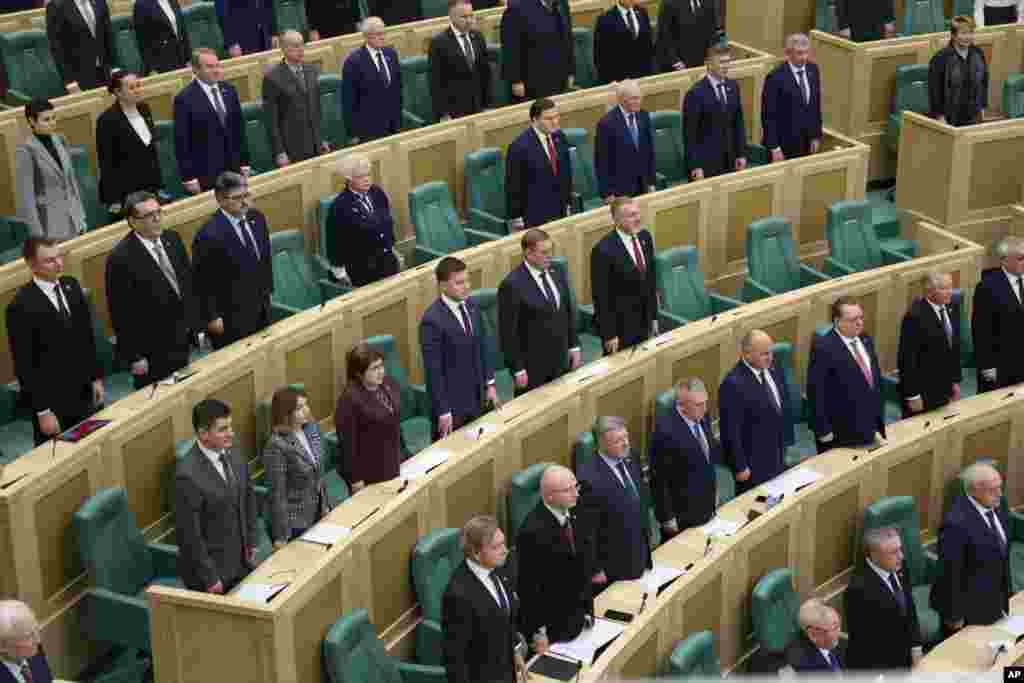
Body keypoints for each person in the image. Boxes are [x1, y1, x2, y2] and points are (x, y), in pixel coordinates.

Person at [6, 237, 102, 446]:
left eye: (59, 256)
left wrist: (95, 378)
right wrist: (43, 411)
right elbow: (25, 365)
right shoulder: (21, 306)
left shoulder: (71, 286)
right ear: (31, 264)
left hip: (83, 392)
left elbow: (86, 338)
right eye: (49, 260)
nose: (58, 263)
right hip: (53, 402)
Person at [106, 191, 197, 388]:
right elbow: (121, 313)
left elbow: (187, 284)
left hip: (183, 338)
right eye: (149, 215)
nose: (157, 219)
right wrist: (134, 356)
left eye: (159, 212)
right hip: (152, 350)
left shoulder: (172, 239)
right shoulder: (121, 259)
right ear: (132, 221)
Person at [176, 399, 258, 593]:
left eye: (230, 426)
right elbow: (190, 535)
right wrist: (210, 577)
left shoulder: (234, 451)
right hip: (214, 574)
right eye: (223, 429)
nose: (231, 433)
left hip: (242, 560)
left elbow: (248, 497)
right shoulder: (187, 475)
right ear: (203, 434)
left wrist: (252, 540)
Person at [442, 515, 528, 683]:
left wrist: (514, 652)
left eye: (503, 543)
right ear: (476, 552)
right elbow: (456, 659)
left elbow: (506, 618)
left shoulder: (500, 567)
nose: (505, 550)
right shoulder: (458, 595)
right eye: (497, 547)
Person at [191, 172, 272, 349]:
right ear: (220, 200)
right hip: (231, 315)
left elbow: (264, 259)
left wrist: (268, 291)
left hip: (261, 305)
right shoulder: (208, 235)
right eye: (237, 198)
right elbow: (201, 282)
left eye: (246, 195)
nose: (245, 202)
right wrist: (211, 316)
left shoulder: (257, 218)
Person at [420, 257, 497, 440]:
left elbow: (482, 347)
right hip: (453, 406)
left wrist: (490, 384)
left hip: (478, 397)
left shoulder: (472, 306)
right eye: (459, 283)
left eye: (467, 280)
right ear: (443, 286)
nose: (467, 286)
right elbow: (433, 371)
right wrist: (443, 410)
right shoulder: (431, 321)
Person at [497, 228, 581, 395]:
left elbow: (566, 313)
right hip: (533, 368)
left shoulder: (556, 272)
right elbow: (508, 333)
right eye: (544, 252)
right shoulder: (512, 285)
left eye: (551, 251)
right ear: (528, 253)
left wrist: (574, 346)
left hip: (561, 360)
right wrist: (517, 369)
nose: (549, 256)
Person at [517, 465, 593, 647]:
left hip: (581, 619)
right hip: (554, 628)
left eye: (576, 487)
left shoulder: (575, 510)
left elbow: (582, 564)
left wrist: (588, 610)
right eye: (568, 490)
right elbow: (529, 587)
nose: (576, 494)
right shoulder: (531, 532)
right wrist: (538, 631)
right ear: (549, 496)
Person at [930, 462, 1011, 634]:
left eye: (1000, 487)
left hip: (996, 602)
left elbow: (1001, 554)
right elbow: (950, 573)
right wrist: (954, 617)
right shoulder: (955, 524)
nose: (1000, 494)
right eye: (993, 489)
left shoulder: (998, 505)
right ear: (974, 490)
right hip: (967, 613)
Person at [576, 416, 652, 590]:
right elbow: (586, 530)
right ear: (601, 444)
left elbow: (640, 500)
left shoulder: (631, 457)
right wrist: (595, 569)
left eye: (626, 437)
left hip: (639, 552)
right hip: (613, 565)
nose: (626, 443)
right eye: (618, 441)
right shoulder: (588, 478)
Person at [806, 297, 885, 452]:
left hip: (869, 424)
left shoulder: (865, 338)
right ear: (837, 321)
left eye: (861, 317)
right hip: (841, 431)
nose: (860, 323)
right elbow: (816, 391)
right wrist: (823, 430)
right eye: (853, 320)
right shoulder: (824, 347)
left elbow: (872, 379)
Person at [719, 329, 788, 494]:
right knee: (758, 510)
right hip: (753, 466)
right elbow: (730, 431)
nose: (770, 357)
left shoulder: (772, 368)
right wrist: (740, 467)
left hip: (776, 455)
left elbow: (779, 407)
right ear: (747, 354)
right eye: (764, 354)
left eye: (771, 352)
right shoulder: (733, 384)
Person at [844, 527, 923, 670]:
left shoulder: (899, 566)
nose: (901, 556)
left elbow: (910, 610)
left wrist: (916, 649)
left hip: (905, 656)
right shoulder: (858, 591)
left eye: (900, 549)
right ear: (874, 556)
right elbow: (866, 645)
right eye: (893, 552)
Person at [649, 378, 719, 538]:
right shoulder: (664, 432)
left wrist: (714, 492)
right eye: (698, 405)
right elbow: (659, 480)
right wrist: (667, 518)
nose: (704, 408)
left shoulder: (703, 416)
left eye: (705, 402)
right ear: (681, 405)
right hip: (682, 515)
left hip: (706, 505)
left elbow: (707, 459)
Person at [174, 49, 250, 194]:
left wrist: (244, 163)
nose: (216, 70)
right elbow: (182, 142)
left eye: (217, 65)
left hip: (234, 167)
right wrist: (189, 178)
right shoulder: (184, 99)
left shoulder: (229, 90)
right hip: (206, 172)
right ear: (195, 70)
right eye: (209, 67)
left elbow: (239, 130)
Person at [263, 386, 331, 548]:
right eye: (299, 408)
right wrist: (281, 537)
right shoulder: (276, 445)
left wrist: (325, 505)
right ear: (285, 414)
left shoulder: (311, 428)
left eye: (306, 405)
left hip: (319, 509)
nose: (306, 411)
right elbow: (277, 494)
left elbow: (317, 471)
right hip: (295, 522)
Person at [590, 197, 658, 354]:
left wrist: (654, 317)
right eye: (631, 215)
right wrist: (609, 334)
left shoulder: (645, 237)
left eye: (638, 214)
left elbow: (650, 281)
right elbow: (601, 297)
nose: (638, 219)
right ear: (617, 220)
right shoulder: (603, 250)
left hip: (645, 322)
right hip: (620, 328)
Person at [15, 98, 87, 242]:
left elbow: (71, 181)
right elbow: (27, 197)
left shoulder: (59, 140)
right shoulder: (26, 150)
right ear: (31, 121)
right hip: (49, 223)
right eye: (46, 119)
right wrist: (37, 233)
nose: (52, 122)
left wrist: (81, 216)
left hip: (74, 217)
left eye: (54, 118)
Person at [334, 342, 402, 492]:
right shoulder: (349, 400)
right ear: (359, 373)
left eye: (381, 366)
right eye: (374, 368)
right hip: (370, 474)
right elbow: (347, 445)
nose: (381, 372)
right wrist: (355, 480)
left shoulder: (388, 384)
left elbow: (394, 421)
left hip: (393, 462)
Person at [325, 154, 402, 286]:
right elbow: (334, 243)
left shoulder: (377, 193)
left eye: (368, 175)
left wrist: (393, 250)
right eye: (360, 177)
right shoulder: (340, 206)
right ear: (349, 179)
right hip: (362, 271)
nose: (367, 180)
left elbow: (387, 225)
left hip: (387, 263)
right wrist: (340, 274)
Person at [96, 71, 162, 218]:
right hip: (127, 193)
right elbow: (106, 162)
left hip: (150, 187)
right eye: (132, 87)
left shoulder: (145, 109)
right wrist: (114, 199)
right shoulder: (107, 120)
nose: (137, 90)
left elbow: (150, 149)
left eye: (138, 85)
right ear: (118, 92)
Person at [897, 272, 962, 418]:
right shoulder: (914, 316)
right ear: (929, 290)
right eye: (944, 288)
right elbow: (907, 359)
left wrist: (955, 380)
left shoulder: (952, 306)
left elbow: (953, 348)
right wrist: (913, 395)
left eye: (951, 287)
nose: (949, 292)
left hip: (944, 388)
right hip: (923, 391)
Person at [262, 31, 328, 168]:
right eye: (295, 46)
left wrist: (321, 139)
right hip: (292, 148)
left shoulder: (312, 70)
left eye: (302, 45)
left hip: (315, 144)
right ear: (284, 48)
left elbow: (317, 109)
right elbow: (271, 120)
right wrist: (280, 152)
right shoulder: (272, 78)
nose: (301, 50)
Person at [505, 98, 573, 230]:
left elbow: (566, 173)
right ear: (535, 120)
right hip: (535, 215)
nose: (555, 122)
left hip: (560, 210)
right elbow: (513, 185)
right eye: (548, 119)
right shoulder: (519, 147)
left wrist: (568, 203)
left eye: (556, 117)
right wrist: (517, 219)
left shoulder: (560, 137)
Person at [682, 46, 747, 180]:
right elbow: (690, 135)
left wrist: (741, 154)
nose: (726, 66)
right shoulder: (695, 93)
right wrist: (695, 166)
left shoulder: (733, 87)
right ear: (708, 64)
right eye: (721, 62)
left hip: (731, 160)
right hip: (707, 165)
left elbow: (738, 123)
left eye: (728, 61)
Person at [972, 236, 1024, 392]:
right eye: (1021, 258)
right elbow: (981, 331)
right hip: (1001, 366)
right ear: (1004, 260)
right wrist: (987, 367)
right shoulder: (987, 287)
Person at [761, 34, 823, 162]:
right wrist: (774, 148)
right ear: (788, 53)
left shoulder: (813, 70)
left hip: (806, 144)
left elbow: (815, 106)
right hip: (784, 145)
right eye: (799, 53)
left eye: (806, 53)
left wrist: (816, 136)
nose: (804, 58)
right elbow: (768, 116)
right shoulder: (775, 77)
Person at [341, 17, 402, 144]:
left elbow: (397, 89)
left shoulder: (391, 54)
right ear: (367, 36)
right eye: (378, 34)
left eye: (384, 33)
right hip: (369, 131)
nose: (383, 37)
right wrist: (353, 133)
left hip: (393, 125)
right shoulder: (353, 62)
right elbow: (348, 101)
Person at [428, 0, 492, 122]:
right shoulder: (439, 43)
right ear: (452, 17)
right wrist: (443, 114)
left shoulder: (478, 37)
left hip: (478, 106)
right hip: (454, 111)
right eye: (464, 17)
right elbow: (436, 82)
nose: (469, 20)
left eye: (471, 16)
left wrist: (488, 104)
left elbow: (485, 73)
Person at [500, 0, 574, 101]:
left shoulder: (561, 4)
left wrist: (570, 71)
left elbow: (568, 38)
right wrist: (515, 80)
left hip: (559, 75)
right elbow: (510, 48)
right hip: (532, 80)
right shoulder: (517, 9)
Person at [594, 80, 655, 200]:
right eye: (634, 98)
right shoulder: (607, 124)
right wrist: (607, 193)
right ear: (621, 99)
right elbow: (602, 161)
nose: (638, 102)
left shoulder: (643, 116)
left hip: (643, 184)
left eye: (639, 98)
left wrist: (651, 182)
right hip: (620, 190)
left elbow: (649, 151)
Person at [928, 16, 989, 126]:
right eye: (963, 33)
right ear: (953, 35)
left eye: (970, 33)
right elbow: (935, 90)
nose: (967, 37)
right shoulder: (941, 58)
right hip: (950, 117)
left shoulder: (978, 53)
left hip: (973, 114)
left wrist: (982, 107)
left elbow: (984, 82)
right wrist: (939, 116)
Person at [45, 0, 114, 91]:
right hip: (79, 74)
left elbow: (108, 36)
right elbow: (57, 48)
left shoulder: (99, 2)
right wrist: (69, 81)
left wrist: (113, 67)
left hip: (105, 70)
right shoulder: (56, 6)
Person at [593, 0, 654, 84]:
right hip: (619, 80)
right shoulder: (605, 19)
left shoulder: (642, 12)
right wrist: (611, 82)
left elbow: (648, 46)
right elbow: (600, 56)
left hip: (643, 77)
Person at [655, 0, 722, 72]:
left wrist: (713, 57)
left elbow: (713, 31)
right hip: (677, 66)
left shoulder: (709, 2)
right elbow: (664, 37)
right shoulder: (668, 3)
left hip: (703, 63)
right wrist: (675, 62)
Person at [785, 599, 845, 672]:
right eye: (834, 627)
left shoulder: (839, 642)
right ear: (813, 634)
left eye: (839, 623)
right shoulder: (803, 667)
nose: (839, 632)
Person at [133, 0, 191, 75]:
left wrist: (189, 58)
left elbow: (182, 31)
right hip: (162, 63)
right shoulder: (141, 4)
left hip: (181, 58)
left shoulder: (173, 1)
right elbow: (143, 42)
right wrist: (151, 68)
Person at [0, 600, 53, 683]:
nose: (38, 640)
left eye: (36, 630)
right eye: (28, 636)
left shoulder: (34, 651)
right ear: (2, 646)